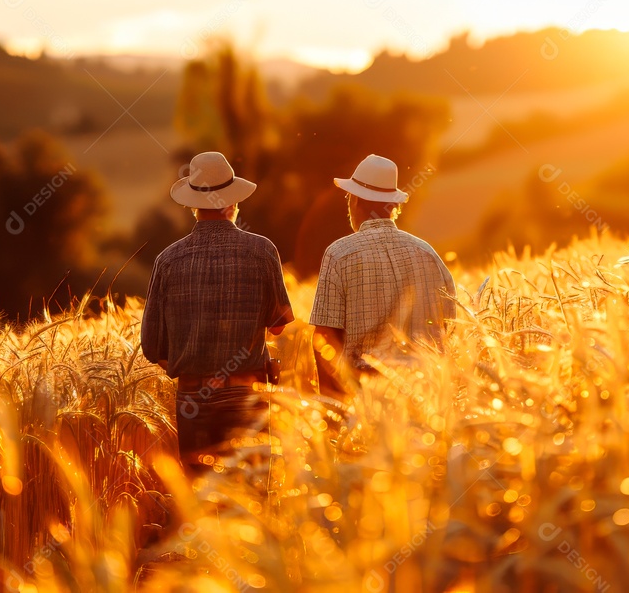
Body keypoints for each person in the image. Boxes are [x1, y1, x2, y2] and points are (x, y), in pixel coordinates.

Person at [141, 151, 294, 471]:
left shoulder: (167, 259)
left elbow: (152, 347)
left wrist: (193, 364)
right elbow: (279, 324)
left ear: (193, 205)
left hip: (192, 398)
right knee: (249, 490)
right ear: (234, 203)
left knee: (199, 491)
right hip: (247, 393)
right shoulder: (262, 250)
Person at [310, 154, 456, 398]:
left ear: (355, 201)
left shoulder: (339, 254)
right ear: (394, 205)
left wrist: (330, 405)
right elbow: (449, 328)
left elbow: (325, 339)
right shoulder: (428, 254)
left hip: (366, 395)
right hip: (424, 396)